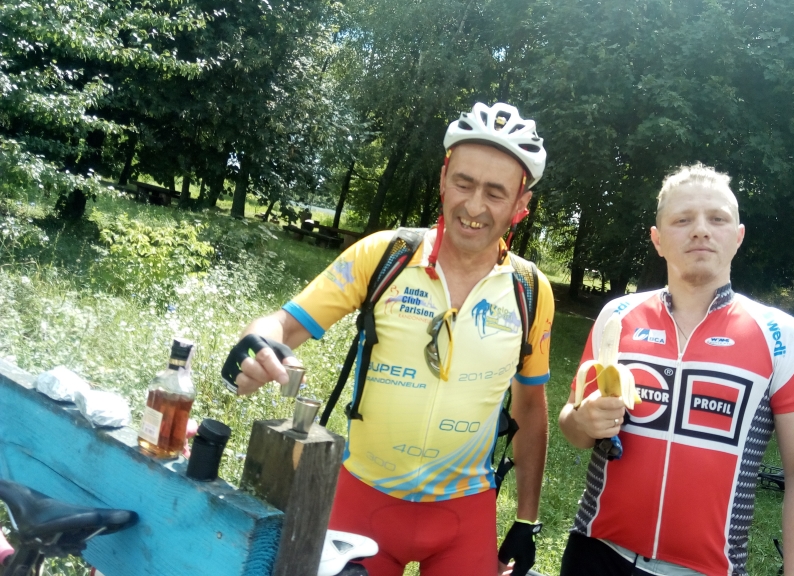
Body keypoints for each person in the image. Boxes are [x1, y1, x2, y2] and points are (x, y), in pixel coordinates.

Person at [221, 102, 554, 576]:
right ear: (443, 179)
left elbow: (530, 408)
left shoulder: (531, 290)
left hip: (465, 513)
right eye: (464, 183)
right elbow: (282, 325)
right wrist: (256, 343)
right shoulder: (385, 255)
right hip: (363, 499)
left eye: (495, 192)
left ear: (521, 205)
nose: (474, 206)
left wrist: (526, 519)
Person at [558, 163, 794, 576]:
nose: (701, 230)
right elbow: (572, 424)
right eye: (682, 220)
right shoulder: (617, 316)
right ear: (657, 239)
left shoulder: (783, 337)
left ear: (737, 237)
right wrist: (582, 420)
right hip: (595, 553)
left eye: (717, 219)